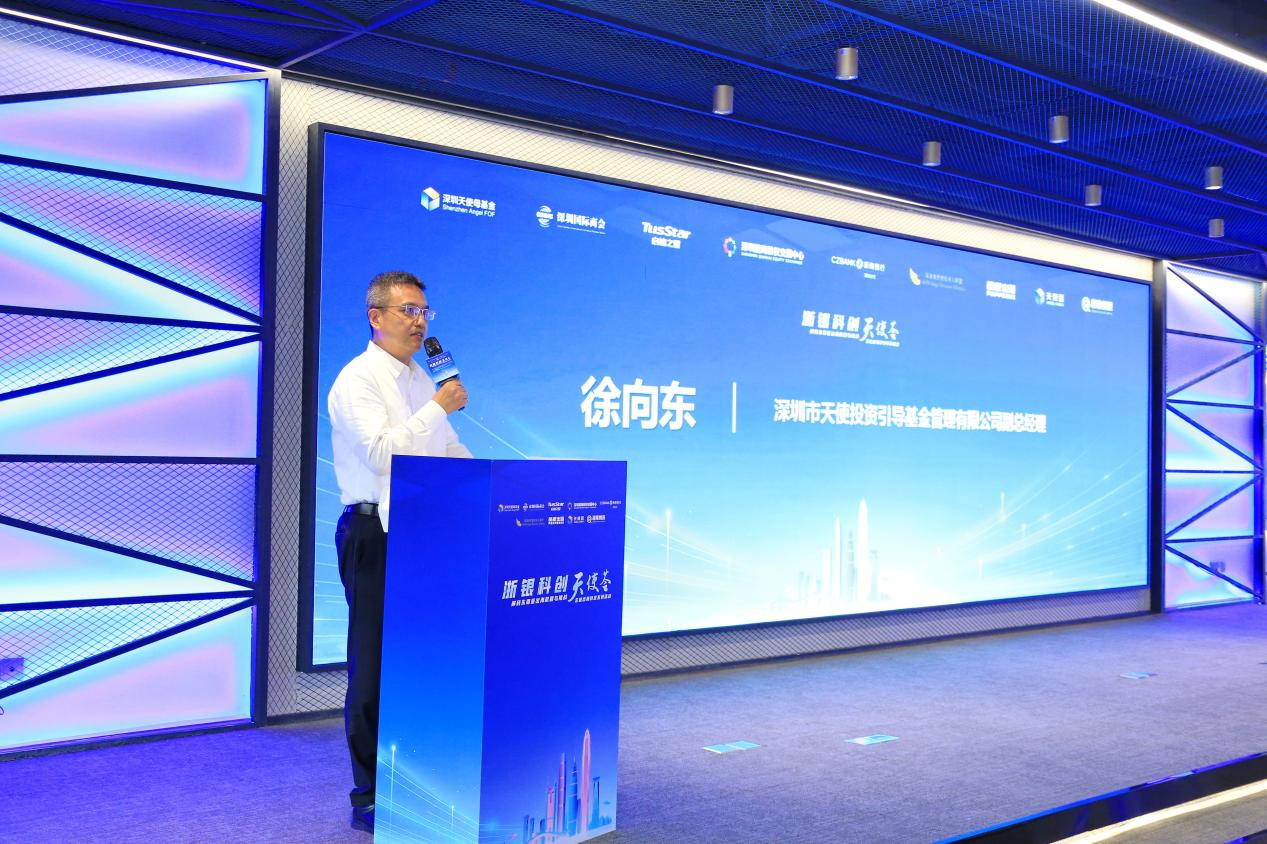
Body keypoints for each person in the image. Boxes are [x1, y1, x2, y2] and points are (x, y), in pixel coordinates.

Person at [327, 271, 471, 833]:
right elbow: (383, 454)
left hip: (423, 534)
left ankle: (415, 777)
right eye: (408, 310)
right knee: (372, 666)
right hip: (373, 533)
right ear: (376, 317)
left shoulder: (419, 379)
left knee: (417, 660)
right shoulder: (358, 380)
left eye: (424, 312)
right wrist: (438, 406)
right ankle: (368, 795)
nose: (419, 322)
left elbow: (447, 451)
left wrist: (500, 482)